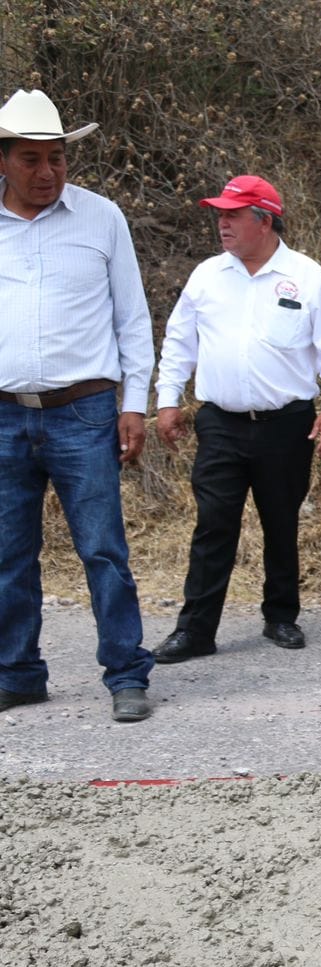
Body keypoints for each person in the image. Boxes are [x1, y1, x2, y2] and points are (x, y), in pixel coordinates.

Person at [153, 175, 321, 662]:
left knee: (281, 520)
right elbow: (180, 342)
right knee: (213, 524)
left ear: (264, 220)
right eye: (219, 214)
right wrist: (166, 399)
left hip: (286, 424)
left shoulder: (309, 278)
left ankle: (281, 616)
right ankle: (196, 630)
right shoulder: (207, 275)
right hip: (220, 422)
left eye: (232, 215)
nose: (222, 223)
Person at [0, 89, 155, 723]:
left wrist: (136, 403)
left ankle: (125, 673)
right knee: (8, 552)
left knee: (102, 548)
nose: (47, 173)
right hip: (4, 413)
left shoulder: (101, 218)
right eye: (32, 160)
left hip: (85, 410)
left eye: (58, 158)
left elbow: (133, 318)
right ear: (3, 160)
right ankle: (18, 673)